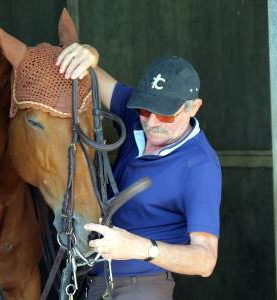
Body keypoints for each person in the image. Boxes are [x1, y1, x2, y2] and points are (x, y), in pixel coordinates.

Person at [56, 43, 222, 300]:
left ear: (194, 107)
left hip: (141, 287)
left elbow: (205, 260)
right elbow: (93, 73)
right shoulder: (139, 118)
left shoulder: (200, 167)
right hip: (89, 283)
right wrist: (90, 53)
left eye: (166, 116)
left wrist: (139, 248)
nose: (152, 123)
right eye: (145, 110)